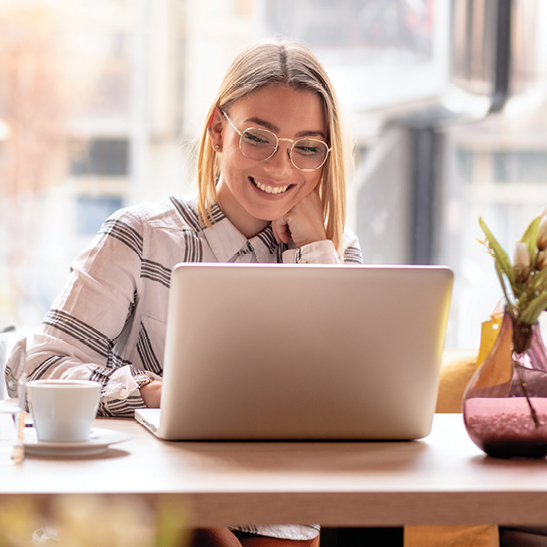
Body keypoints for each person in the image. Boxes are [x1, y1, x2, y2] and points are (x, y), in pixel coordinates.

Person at [11, 38, 363, 546]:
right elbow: (37, 367)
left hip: (282, 516)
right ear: (218, 131)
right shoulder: (142, 236)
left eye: (306, 147)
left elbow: (349, 400)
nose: (280, 168)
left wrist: (312, 246)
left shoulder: (334, 250)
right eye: (259, 137)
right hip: (161, 509)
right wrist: (150, 392)